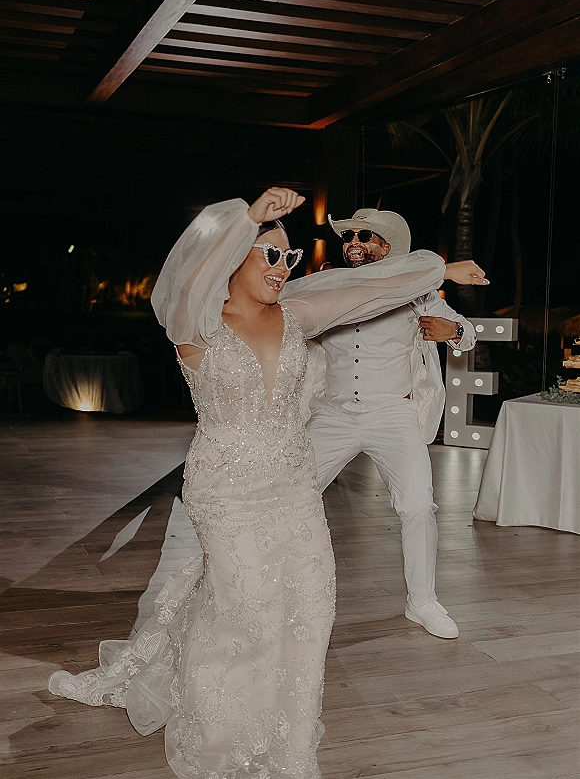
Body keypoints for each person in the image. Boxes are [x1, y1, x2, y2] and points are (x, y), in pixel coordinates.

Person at [48, 189, 486, 778]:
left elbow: (365, 291)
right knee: (245, 610)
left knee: (309, 605)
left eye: (290, 258)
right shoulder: (196, 323)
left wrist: (438, 268)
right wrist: (246, 218)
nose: (284, 269)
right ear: (232, 258)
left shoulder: (297, 313)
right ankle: (219, 734)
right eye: (269, 256)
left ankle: (287, 736)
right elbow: (181, 282)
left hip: (293, 483)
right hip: (226, 490)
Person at [305, 207, 483, 640]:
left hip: (392, 412)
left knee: (418, 506)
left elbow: (466, 331)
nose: (354, 244)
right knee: (289, 491)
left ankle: (421, 602)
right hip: (332, 413)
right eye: (350, 237)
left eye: (365, 236)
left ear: (388, 248)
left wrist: (453, 332)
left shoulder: (416, 293)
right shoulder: (329, 288)